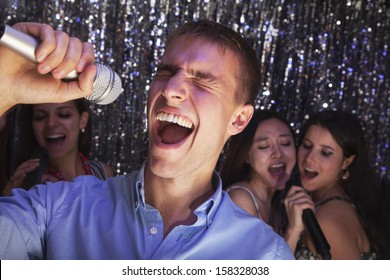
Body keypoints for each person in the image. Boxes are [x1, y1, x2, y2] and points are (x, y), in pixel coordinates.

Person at [0, 20, 294, 259]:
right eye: (165, 71)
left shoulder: (267, 257)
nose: (171, 88)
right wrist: (3, 89)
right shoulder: (58, 208)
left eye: (202, 80)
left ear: (239, 119)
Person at [284, 110, 390, 259]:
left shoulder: (327, 221)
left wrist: (292, 232)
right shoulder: (336, 202)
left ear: (347, 162)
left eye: (325, 153)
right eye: (307, 146)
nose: (309, 158)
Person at [220, 110, 303, 251]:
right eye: (264, 146)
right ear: (246, 156)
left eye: (285, 143)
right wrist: (293, 230)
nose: (278, 154)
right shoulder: (240, 199)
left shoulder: (275, 206)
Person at [2, 99, 114, 196]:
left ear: (83, 121)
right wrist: (8, 198)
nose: (51, 123)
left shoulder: (102, 172)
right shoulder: (32, 182)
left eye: (63, 114)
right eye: (40, 117)